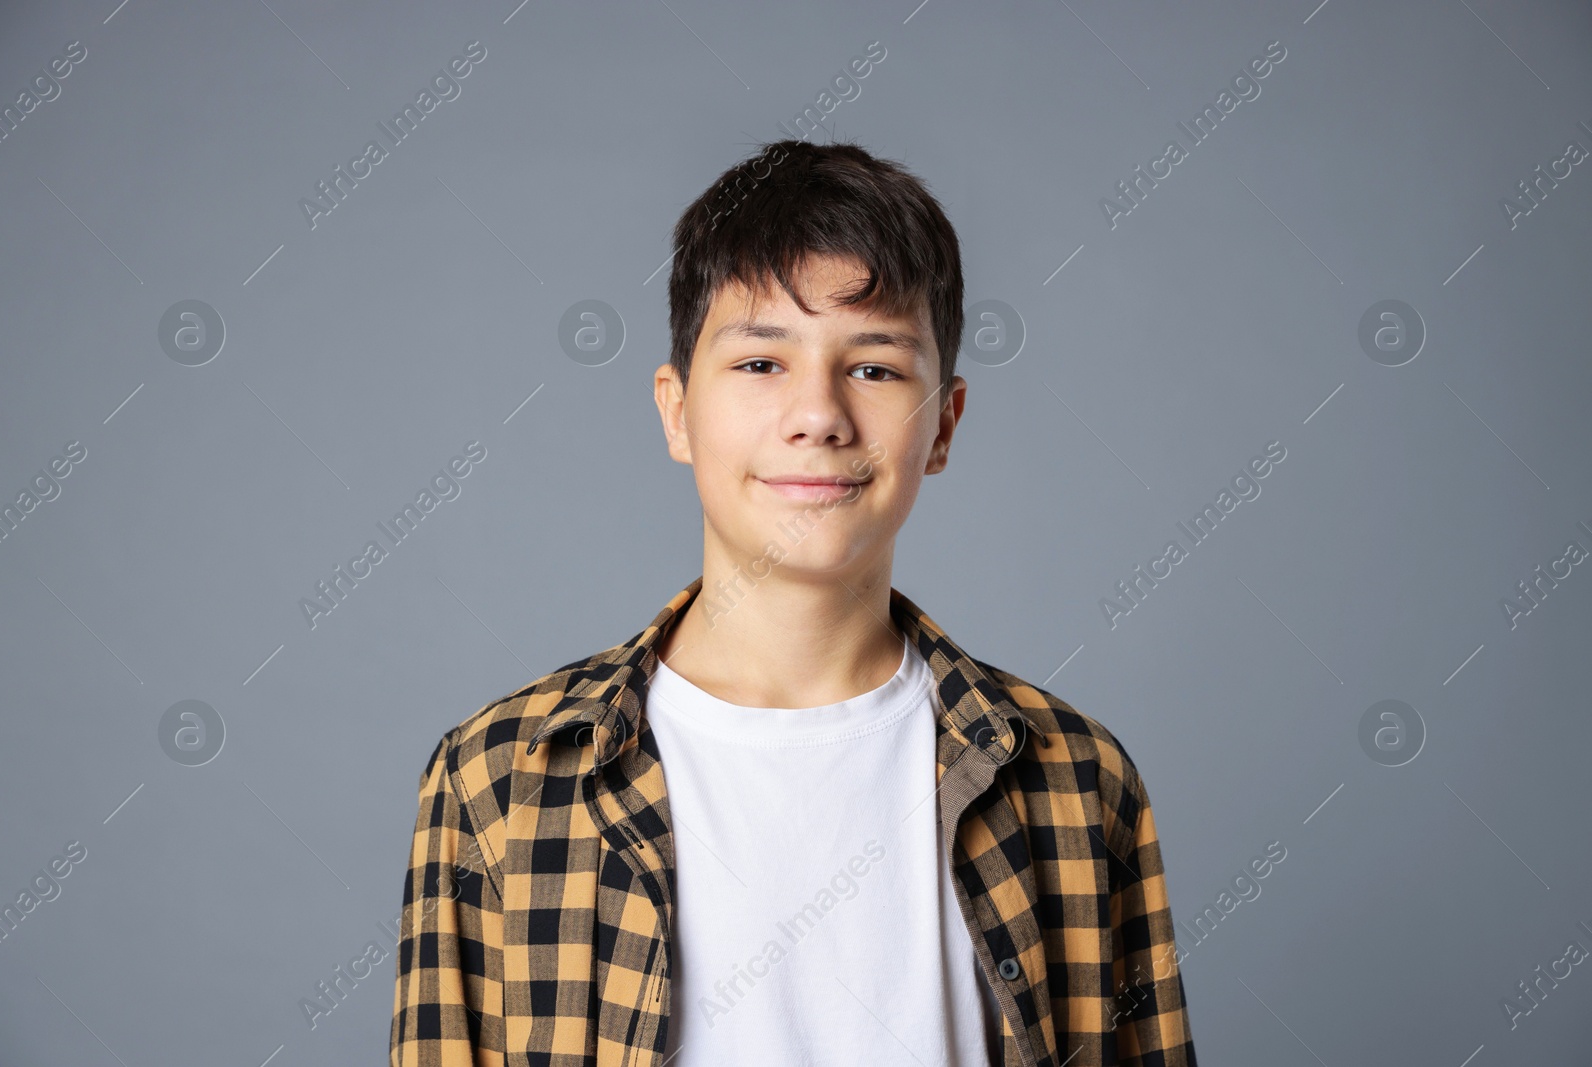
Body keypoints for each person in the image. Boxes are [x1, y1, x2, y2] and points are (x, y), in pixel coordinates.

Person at [389, 138, 1197, 1066]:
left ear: (943, 425)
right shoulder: (502, 779)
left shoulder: (1075, 780)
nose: (818, 414)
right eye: (762, 364)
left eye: (876, 368)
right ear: (676, 410)